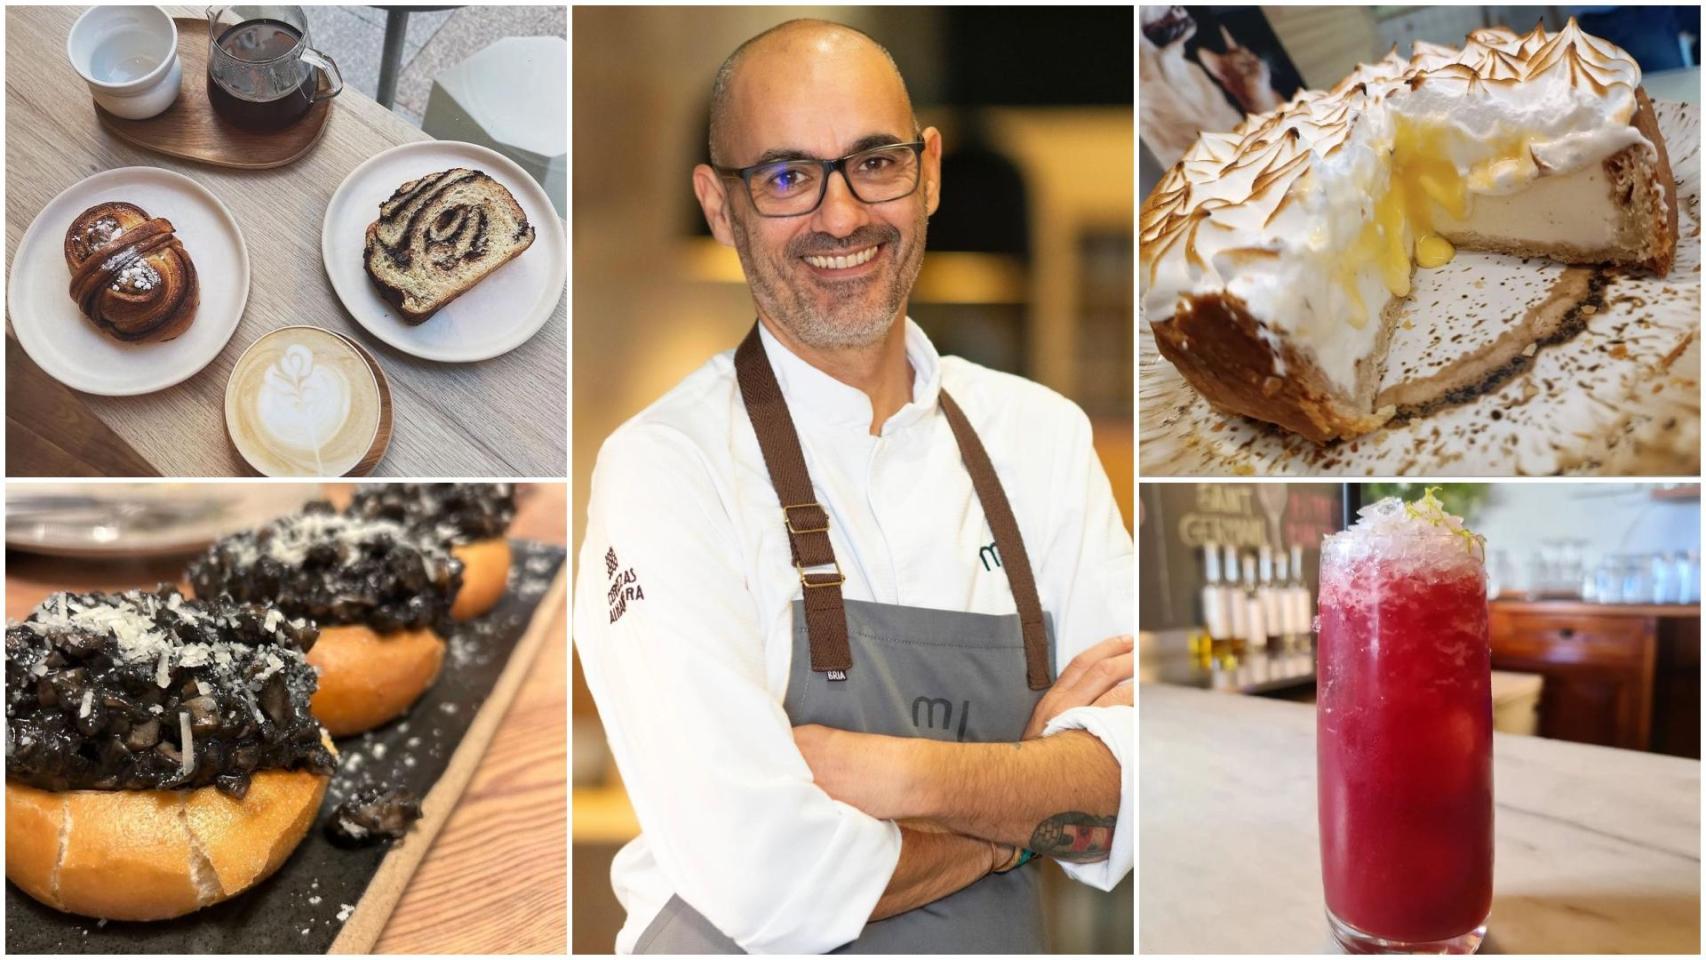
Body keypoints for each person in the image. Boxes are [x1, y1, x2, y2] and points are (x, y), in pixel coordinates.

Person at [575, 19, 1133, 954]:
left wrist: (893, 776)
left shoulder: (1041, 439)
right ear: (720, 207)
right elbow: (765, 874)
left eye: (874, 162)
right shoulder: (665, 467)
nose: (841, 217)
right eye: (788, 177)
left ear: (932, 172)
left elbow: (1130, 800)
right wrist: (1020, 810)